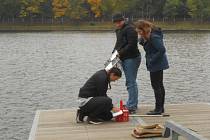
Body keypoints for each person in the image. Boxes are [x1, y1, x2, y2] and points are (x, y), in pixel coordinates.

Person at [136, 20, 169, 115]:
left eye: (139, 31)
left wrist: (152, 60)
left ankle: (158, 109)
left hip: (157, 64)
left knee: (156, 86)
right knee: (159, 85)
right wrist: (142, 41)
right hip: (156, 64)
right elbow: (150, 48)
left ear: (144, 29)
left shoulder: (154, 37)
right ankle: (160, 108)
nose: (139, 33)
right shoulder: (148, 36)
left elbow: (162, 50)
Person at [112, 13, 141, 114]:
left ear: (123, 20)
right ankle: (132, 103)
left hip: (132, 58)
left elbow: (132, 45)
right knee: (130, 81)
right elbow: (118, 43)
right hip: (124, 58)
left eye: (119, 22)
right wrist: (113, 54)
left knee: (131, 82)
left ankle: (132, 105)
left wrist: (119, 53)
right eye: (116, 23)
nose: (118, 24)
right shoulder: (119, 30)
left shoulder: (130, 29)